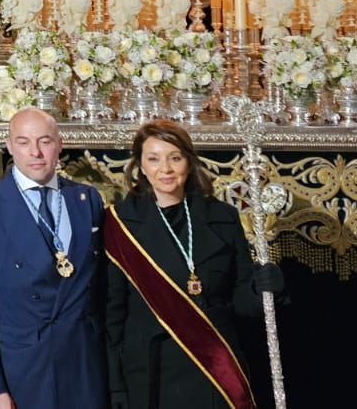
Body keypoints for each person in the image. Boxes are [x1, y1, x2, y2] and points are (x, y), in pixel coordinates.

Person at [105, 120, 283, 409]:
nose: (166, 169)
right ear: (140, 166)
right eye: (154, 159)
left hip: (213, 373)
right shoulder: (119, 224)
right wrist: (116, 389)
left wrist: (262, 288)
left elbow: (240, 303)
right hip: (151, 376)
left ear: (188, 162)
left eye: (175, 158)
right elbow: (111, 318)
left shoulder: (222, 217)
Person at [0, 108, 107, 409]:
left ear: (60, 144)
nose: (35, 152)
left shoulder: (86, 201)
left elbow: (102, 292)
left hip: (83, 370)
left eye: (44, 141)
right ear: (9, 146)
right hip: (22, 375)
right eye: (23, 142)